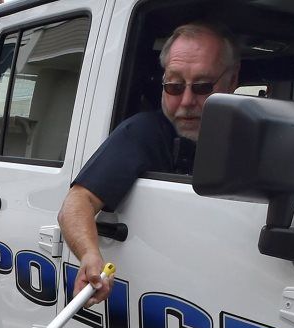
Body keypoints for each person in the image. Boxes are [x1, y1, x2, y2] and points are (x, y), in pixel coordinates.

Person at [59, 21, 240, 301]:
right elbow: (77, 202)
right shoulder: (144, 132)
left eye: (203, 86)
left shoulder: (251, 135)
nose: (187, 101)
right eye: (175, 86)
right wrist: (89, 254)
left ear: (232, 81)